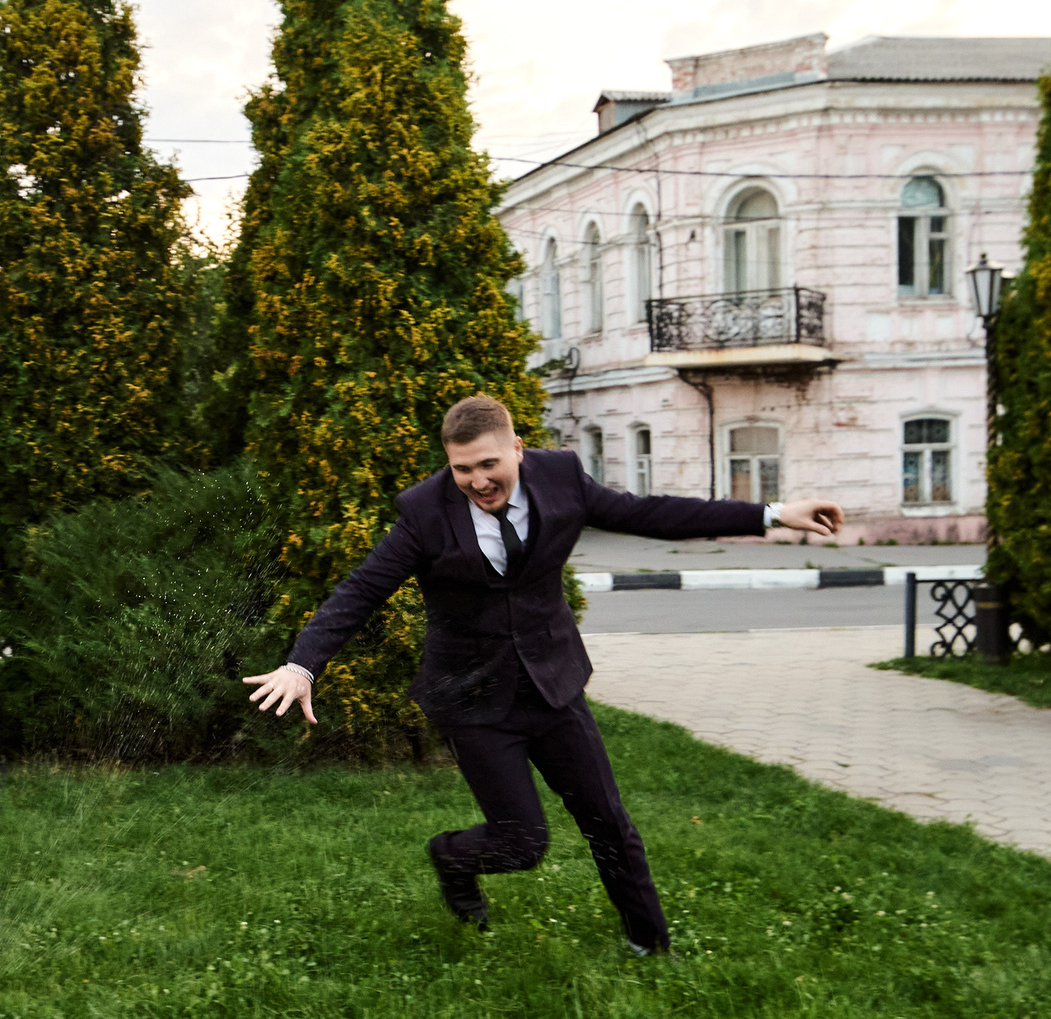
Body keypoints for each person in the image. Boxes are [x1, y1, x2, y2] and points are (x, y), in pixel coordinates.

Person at [243, 395, 843, 955]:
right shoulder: (425, 513)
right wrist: (303, 665)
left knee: (609, 822)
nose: (477, 481)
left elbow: (651, 513)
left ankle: (650, 947)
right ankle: (451, 858)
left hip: (553, 684)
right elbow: (363, 588)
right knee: (521, 843)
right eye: (460, 469)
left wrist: (771, 513)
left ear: (517, 449)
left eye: (487, 464)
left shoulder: (561, 479)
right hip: (474, 698)